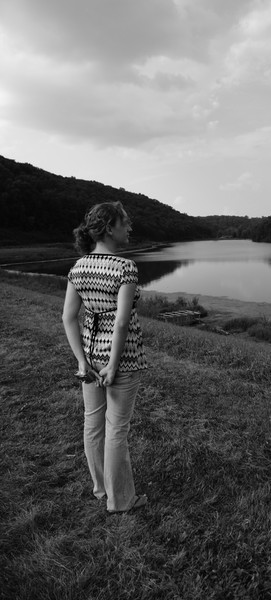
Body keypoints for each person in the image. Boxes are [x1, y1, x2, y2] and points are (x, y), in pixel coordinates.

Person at [62, 201, 148, 513]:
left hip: (90, 354)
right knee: (116, 430)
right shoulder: (125, 267)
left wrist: (81, 361)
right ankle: (121, 500)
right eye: (125, 223)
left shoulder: (79, 267)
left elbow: (68, 317)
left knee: (93, 424)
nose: (130, 228)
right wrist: (113, 363)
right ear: (110, 227)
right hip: (120, 359)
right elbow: (122, 321)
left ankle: (101, 490)